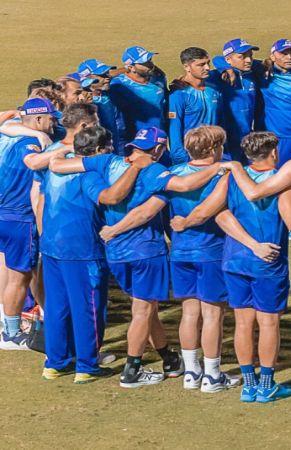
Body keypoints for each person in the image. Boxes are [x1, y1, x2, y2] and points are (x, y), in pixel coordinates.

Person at [49, 126, 225, 387]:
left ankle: (168, 357)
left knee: (146, 307)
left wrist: (61, 150)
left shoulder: (107, 161)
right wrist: (221, 168)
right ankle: (132, 370)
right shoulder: (154, 170)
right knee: (143, 310)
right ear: (158, 149)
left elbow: (56, 166)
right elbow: (185, 184)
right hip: (146, 249)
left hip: (116, 253)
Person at [171, 132, 291, 403]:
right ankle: (266, 384)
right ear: (274, 153)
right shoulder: (282, 181)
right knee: (268, 323)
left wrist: (184, 224)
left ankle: (248, 384)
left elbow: (214, 212)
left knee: (243, 323)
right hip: (268, 262)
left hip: (233, 260)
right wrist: (257, 245)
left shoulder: (229, 178)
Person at [111, 126, 234, 392]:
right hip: (212, 252)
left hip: (179, 253)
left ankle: (191, 372)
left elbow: (147, 210)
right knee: (212, 315)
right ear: (214, 149)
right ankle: (212, 375)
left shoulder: (172, 174)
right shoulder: (223, 173)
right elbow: (212, 210)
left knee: (189, 313)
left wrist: (115, 229)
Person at [41, 126, 150, 382]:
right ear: (100, 150)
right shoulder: (88, 174)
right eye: (109, 147)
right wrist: (135, 169)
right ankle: (87, 366)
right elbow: (109, 197)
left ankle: (56, 362)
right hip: (82, 248)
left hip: (52, 245)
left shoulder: (57, 166)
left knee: (57, 305)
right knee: (88, 306)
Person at [0, 98, 60, 350]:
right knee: (20, 277)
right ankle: (11, 334)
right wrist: (62, 150)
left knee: (17, 272)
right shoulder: (31, 143)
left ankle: (14, 326)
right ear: (37, 119)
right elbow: (32, 163)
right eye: (50, 118)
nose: (54, 122)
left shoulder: (12, 136)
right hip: (20, 216)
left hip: (5, 213)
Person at [255, 39, 291, 166]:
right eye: (284, 54)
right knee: (278, 175)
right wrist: (227, 69)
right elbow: (221, 59)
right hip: (277, 137)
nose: (289, 57)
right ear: (272, 56)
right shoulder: (261, 70)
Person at [207, 38, 263, 164]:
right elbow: (195, 77)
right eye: (242, 57)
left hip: (247, 138)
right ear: (228, 59)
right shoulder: (218, 76)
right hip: (225, 142)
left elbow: (266, 62)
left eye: (250, 56)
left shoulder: (251, 74)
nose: (248, 60)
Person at [168, 47, 223, 165]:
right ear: (187, 67)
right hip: (190, 157)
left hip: (214, 154)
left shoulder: (213, 90)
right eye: (201, 65)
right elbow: (174, 129)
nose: (207, 68)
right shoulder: (178, 94)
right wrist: (181, 160)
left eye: (208, 63)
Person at [109, 46, 168, 143]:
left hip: (160, 138)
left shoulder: (158, 78)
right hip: (135, 142)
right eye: (144, 63)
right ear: (131, 67)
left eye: (150, 60)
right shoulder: (118, 85)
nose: (150, 64)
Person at [78, 59, 126, 155]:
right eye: (102, 75)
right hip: (101, 152)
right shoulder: (86, 104)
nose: (107, 78)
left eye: (107, 73)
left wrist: (128, 68)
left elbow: (111, 75)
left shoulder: (104, 92)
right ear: (89, 78)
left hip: (116, 147)